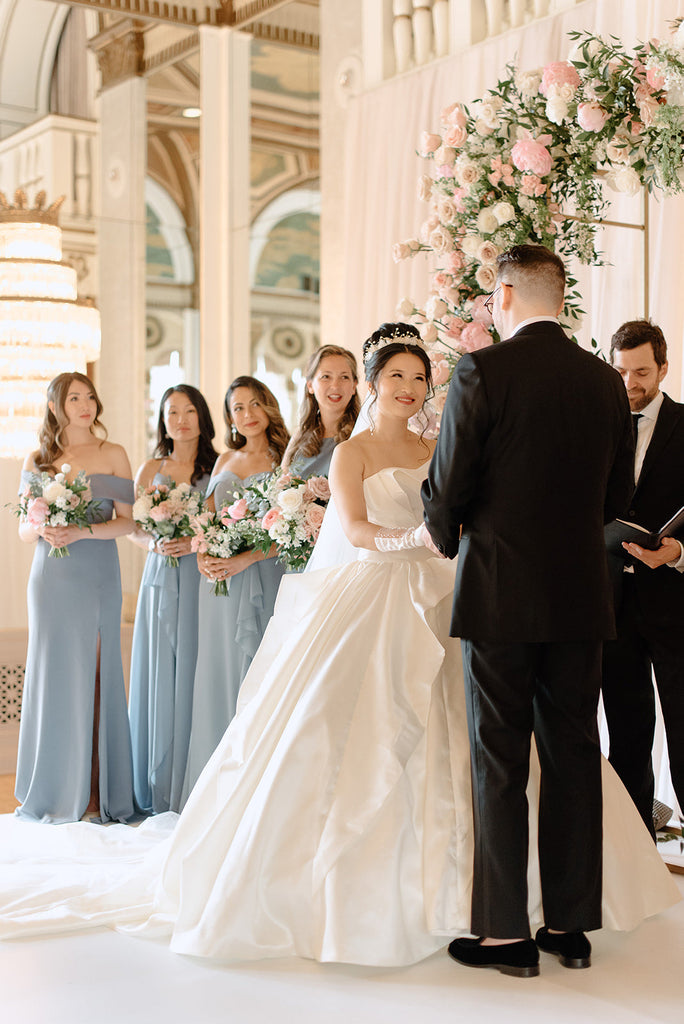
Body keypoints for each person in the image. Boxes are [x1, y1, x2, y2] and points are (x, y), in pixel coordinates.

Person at [0, 327, 676, 959]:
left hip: (447, 593)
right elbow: (352, 530)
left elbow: (465, 507)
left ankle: (511, 900)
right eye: (398, 376)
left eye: (420, 377)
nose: (409, 387)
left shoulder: (437, 446)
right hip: (376, 589)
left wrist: (448, 540)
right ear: (376, 383)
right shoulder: (353, 452)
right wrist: (409, 540)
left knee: (488, 738)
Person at [422, 245, 635, 977]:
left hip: (501, 592)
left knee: (501, 757)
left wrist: (443, 528)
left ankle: (506, 935)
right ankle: (571, 930)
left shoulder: (484, 370)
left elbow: (449, 485)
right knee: (575, 753)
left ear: (505, 294)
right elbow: (618, 503)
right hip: (581, 593)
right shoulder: (607, 383)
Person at [15, 372, 136, 824]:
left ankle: (95, 794)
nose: (85, 405)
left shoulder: (114, 453)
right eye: (74, 398)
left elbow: (128, 523)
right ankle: (54, 790)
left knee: (100, 674)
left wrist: (83, 529)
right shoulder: (38, 458)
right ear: (55, 407)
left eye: (89, 397)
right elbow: (23, 531)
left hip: (98, 576)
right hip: (51, 580)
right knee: (55, 678)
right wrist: (41, 526)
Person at [180, 377, 290, 803]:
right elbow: (204, 522)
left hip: (265, 575)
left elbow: (295, 531)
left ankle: (256, 794)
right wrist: (202, 553)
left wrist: (246, 558)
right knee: (220, 671)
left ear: (268, 407)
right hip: (219, 584)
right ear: (230, 418)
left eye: (254, 404)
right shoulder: (226, 457)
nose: (247, 414)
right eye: (238, 408)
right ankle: (215, 794)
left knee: (259, 676)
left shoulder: (287, 459)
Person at [601, 319, 684, 838]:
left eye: (641, 372)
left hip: (675, 597)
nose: (630, 382)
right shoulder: (595, 426)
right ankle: (637, 837)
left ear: (663, 369)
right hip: (610, 597)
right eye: (621, 370)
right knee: (626, 727)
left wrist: (677, 552)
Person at [128, 384, 218, 814]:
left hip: (200, 578)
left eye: (188, 411)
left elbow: (226, 523)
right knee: (160, 667)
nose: (180, 419)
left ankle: (193, 777)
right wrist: (155, 545)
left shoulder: (218, 466)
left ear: (202, 416)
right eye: (171, 412)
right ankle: (156, 780)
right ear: (162, 420)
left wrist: (195, 541)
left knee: (195, 668)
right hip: (160, 575)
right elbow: (132, 527)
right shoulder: (151, 468)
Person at [282, 344, 360, 478]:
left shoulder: (362, 435)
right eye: (326, 377)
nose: (335, 386)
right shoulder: (299, 437)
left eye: (344, 377)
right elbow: (280, 485)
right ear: (310, 385)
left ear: (354, 386)